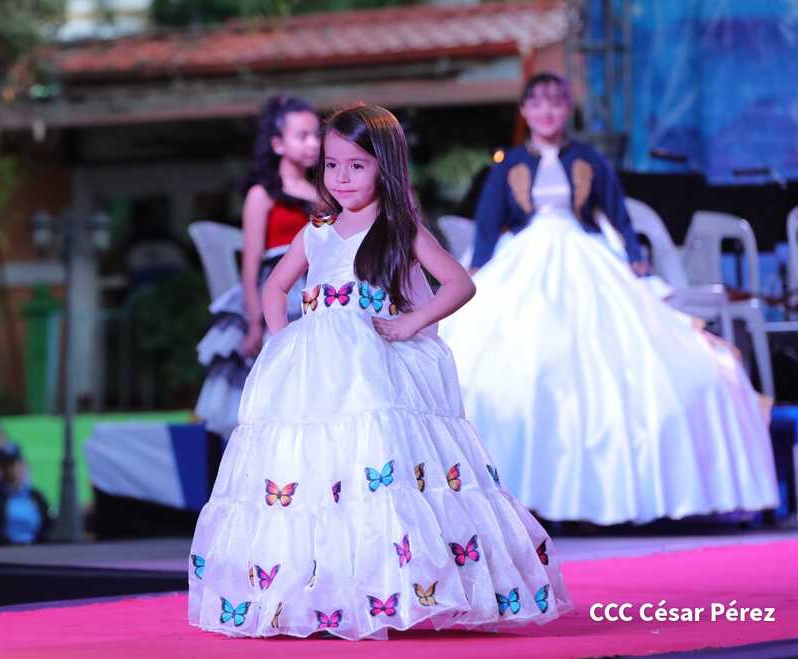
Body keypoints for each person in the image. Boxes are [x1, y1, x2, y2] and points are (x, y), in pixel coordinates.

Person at [187, 104, 570, 640]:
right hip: (315, 370)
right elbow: (275, 285)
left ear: (383, 166)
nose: (341, 177)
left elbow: (459, 283)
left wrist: (412, 321)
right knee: (312, 471)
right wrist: (283, 338)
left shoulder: (398, 227)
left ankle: (394, 588)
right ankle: (316, 592)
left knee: (378, 466)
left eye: (356, 165)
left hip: (375, 366)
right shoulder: (317, 230)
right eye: (332, 165)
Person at [440, 72, 779, 526]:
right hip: (525, 256)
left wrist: (636, 260)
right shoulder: (509, 164)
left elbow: (618, 215)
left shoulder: (589, 159)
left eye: (556, 103)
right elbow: (487, 222)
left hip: (585, 255)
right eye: (537, 104)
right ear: (524, 111)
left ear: (567, 109)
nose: (547, 112)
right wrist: (479, 266)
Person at [195, 96, 320, 439]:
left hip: (318, 290)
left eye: (316, 135)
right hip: (278, 294)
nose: (313, 143)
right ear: (278, 143)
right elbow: (250, 264)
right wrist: (254, 321)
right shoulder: (262, 195)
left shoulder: (323, 194)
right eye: (303, 136)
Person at [0, 443, 51, 545]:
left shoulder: (36, 496)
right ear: (1, 468)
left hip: (36, 548)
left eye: (16, 463)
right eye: (7, 465)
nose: (12, 468)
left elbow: (48, 526)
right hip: (4, 549)